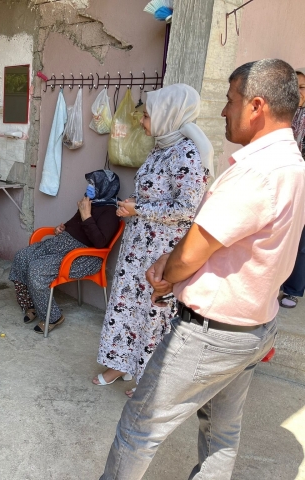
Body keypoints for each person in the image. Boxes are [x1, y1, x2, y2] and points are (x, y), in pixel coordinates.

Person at [100, 59, 305, 480]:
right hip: (252, 324)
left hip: (210, 332)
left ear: (257, 107)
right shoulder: (292, 165)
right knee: (221, 435)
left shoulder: (256, 173)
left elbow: (193, 249)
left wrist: (164, 274)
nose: (223, 111)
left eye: (231, 101)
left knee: (140, 427)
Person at [94, 84, 212, 393]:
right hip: (138, 246)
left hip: (162, 250)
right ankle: (120, 366)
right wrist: (131, 208)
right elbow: (155, 194)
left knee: (153, 313)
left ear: (168, 116)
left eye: (146, 116)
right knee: (127, 305)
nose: (143, 123)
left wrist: (140, 209)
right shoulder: (162, 147)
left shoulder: (186, 153)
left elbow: (187, 208)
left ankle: (148, 378)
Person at [9, 170, 121, 334]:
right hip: (62, 244)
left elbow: (100, 242)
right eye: (89, 183)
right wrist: (61, 228)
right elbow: (73, 224)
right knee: (22, 257)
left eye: (93, 184)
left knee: (37, 269)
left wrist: (86, 216)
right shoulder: (90, 201)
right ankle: (30, 304)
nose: (89, 187)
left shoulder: (110, 212)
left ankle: (53, 317)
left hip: (84, 256)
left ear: (106, 188)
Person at [279, 67, 305, 308]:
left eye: (303, 87)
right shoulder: (287, 114)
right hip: (284, 180)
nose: (298, 92)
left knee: (301, 239)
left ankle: (292, 290)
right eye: (294, 87)